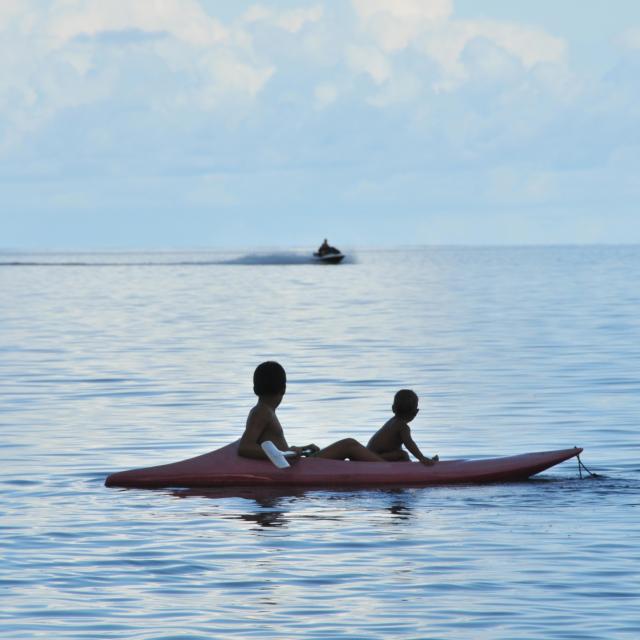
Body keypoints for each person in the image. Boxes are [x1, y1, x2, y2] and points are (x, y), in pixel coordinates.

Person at [239, 361, 384, 462]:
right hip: (293, 466)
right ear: (283, 389)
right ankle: (390, 469)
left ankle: (385, 463)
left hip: (293, 461)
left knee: (349, 446)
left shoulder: (264, 410)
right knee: (349, 445)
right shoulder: (262, 412)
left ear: (255, 389)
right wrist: (285, 454)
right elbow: (245, 447)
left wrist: (300, 449)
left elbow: (271, 448)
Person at [367, 389, 439, 465]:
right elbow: (409, 443)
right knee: (403, 454)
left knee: (398, 451)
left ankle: (406, 466)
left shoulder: (392, 422)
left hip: (368, 454)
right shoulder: (403, 427)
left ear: (393, 408)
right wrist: (422, 458)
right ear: (415, 412)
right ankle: (412, 469)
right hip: (374, 457)